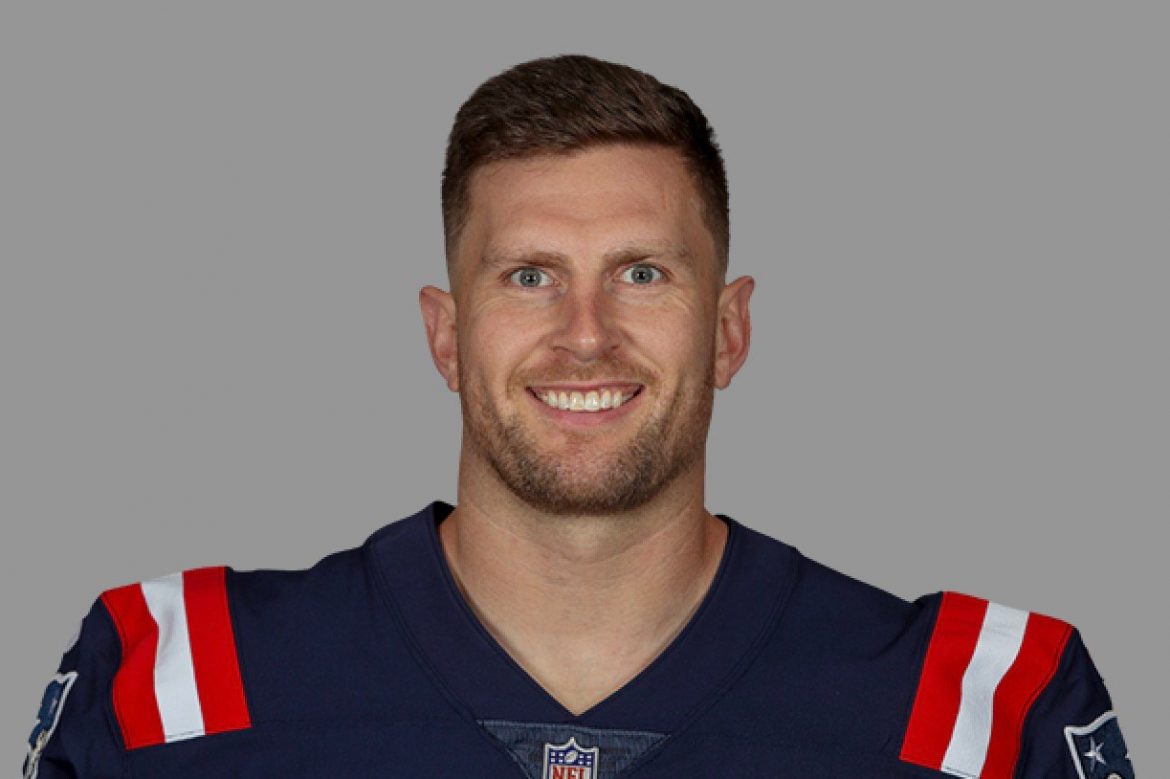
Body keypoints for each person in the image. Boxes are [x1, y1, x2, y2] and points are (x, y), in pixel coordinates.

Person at [24, 55, 1133, 779]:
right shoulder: (174, 686)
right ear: (446, 334)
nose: (587, 333)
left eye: (643, 273)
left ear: (730, 328)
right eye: (529, 276)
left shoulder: (986, 710)